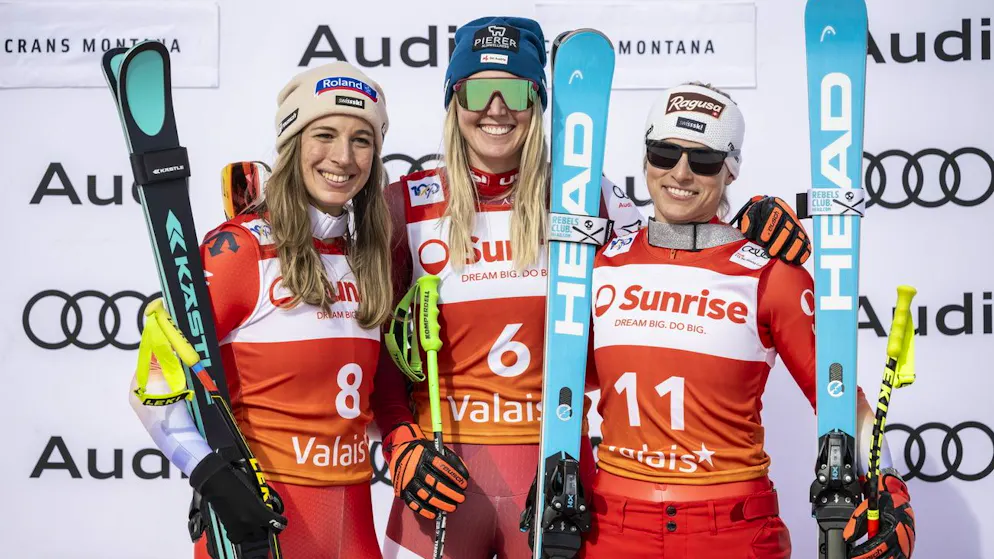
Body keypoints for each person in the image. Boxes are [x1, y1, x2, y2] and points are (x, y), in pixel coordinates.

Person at [371, 16, 817, 559]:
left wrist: (744, 224)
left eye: (513, 89)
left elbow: (670, 253)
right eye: (477, 89)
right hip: (442, 477)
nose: (496, 108)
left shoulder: (590, 198)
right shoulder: (403, 206)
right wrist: (399, 447)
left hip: (553, 477)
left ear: (536, 100)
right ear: (452, 100)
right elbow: (371, 351)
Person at [580, 82, 916, 558]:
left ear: (731, 169)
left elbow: (838, 395)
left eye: (704, 161)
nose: (680, 173)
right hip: (614, 525)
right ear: (644, 158)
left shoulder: (770, 271)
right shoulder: (599, 263)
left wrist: (889, 484)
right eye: (664, 152)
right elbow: (568, 382)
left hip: (731, 528)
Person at [128, 61, 394, 559]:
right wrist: (212, 477)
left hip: (354, 522)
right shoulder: (241, 250)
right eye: (325, 134)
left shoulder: (366, 260)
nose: (343, 156)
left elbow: (357, 402)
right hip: (259, 522)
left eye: (362, 139)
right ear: (292, 143)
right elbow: (150, 386)